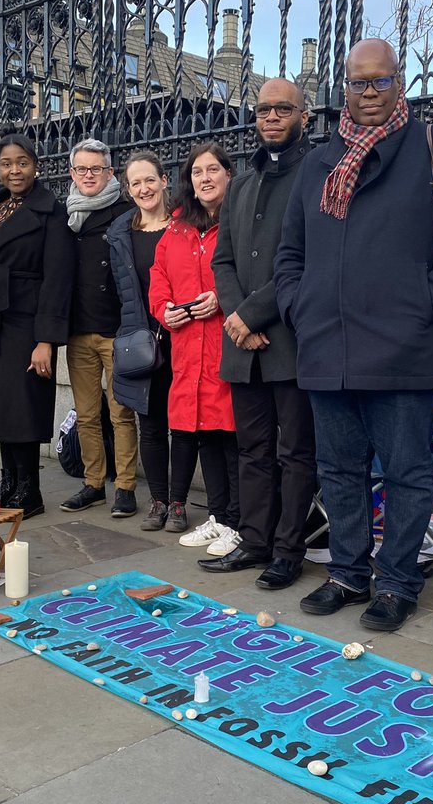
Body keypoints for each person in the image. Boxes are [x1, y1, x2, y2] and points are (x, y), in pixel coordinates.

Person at [274, 38, 433, 631]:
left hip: (404, 347)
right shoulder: (320, 163)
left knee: (405, 473)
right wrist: (300, 306)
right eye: (357, 83)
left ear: (400, 82)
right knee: (340, 471)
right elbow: (290, 252)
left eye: (380, 81)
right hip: (327, 346)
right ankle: (347, 573)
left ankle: (397, 582)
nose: (368, 93)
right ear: (342, 88)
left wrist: (425, 302)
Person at [199, 78, 317, 590]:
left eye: (283, 109)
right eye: (264, 109)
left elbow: (310, 259)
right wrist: (238, 319)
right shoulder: (242, 184)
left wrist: (255, 316)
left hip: (288, 339)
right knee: (252, 449)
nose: (271, 117)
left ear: (303, 117)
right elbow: (223, 259)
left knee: (294, 453)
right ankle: (254, 539)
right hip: (242, 344)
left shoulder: (316, 173)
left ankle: (289, 550)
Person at [0, 134, 74, 518]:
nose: (14, 170)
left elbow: (58, 278)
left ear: (35, 165)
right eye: (7, 163)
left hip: (26, 320)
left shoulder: (50, 212)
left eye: (22, 162)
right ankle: (9, 480)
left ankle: (30, 489)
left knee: (23, 403)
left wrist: (46, 340)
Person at [148, 142, 239, 551]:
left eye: (212, 170)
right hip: (188, 348)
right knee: (203, 434)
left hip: (228, 343)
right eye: (197, 172)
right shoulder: (178, 228)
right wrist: (164, 310)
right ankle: (219, 516)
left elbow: (250, 270)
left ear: (228, 174)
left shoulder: (238, 219)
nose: (204, 178)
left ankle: (237, 519)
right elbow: (159, 275)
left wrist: (221, 296)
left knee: (231, 436)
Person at [58, 138, 139, 517]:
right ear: (72, 173)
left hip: (116, 329)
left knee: (120, 412)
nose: (89, 176)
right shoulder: (67, 216)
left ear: (110, 173)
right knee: (87, 414)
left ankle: (124, 487)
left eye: (97, 169)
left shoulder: (126, 212)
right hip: (78, 330)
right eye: (82, 169)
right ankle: (93, 483)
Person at [108, 151, 174, 530]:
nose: (144, 188)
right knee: (149, 423)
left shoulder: (184, 224)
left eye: (150, 179)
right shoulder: (120, 232)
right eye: (136, 183)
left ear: (165, 180)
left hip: (180, 334)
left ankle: (178, 502)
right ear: (128, 189)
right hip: (141, 339)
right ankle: (159, 501)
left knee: (182, 427)